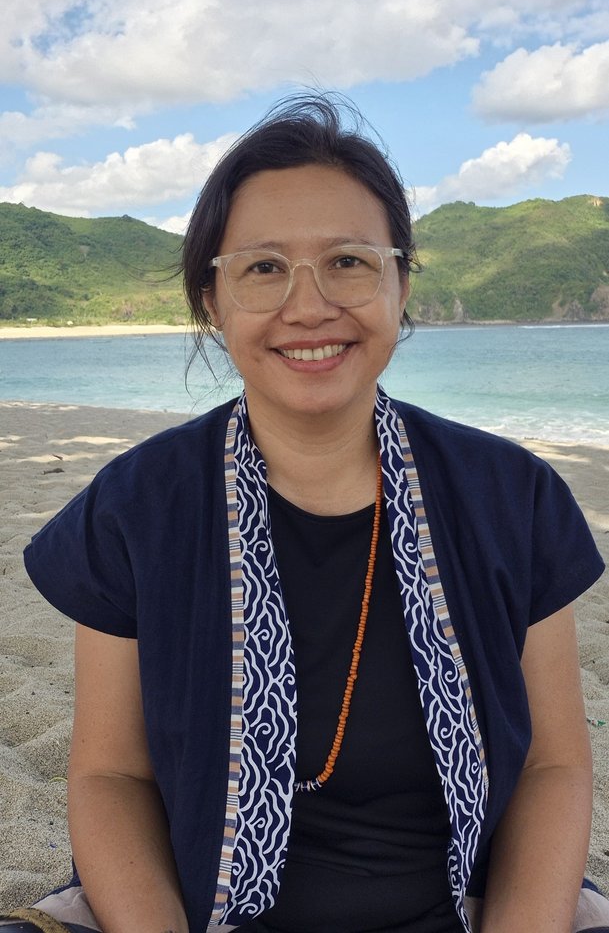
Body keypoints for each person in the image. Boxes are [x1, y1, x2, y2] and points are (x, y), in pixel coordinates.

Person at [2, 93, 609, 933]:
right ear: (212, 302)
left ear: (401, 284)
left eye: (349, 262)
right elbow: (111, 778)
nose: (309, 305)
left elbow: (550, 765)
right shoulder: (138, 505)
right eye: (262, 267)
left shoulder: (513, 496)